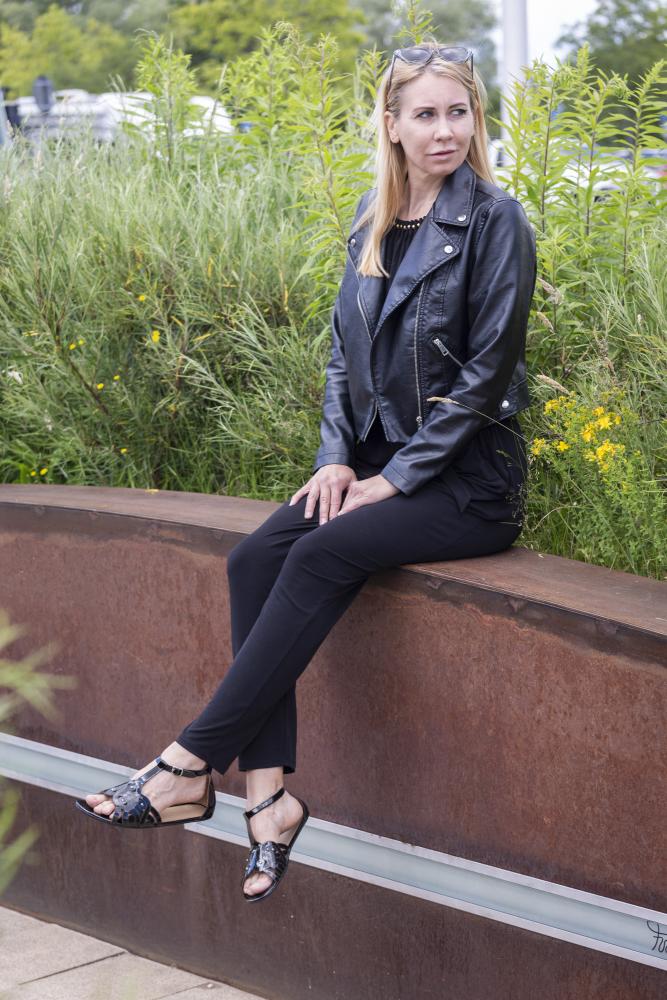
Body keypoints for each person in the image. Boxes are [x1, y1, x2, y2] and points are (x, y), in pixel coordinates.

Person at [76, 41, 537, 904]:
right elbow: (341, 357)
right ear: (391, 126)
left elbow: (485, 376)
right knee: (255, 557)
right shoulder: (372, 214)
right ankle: (269, 799)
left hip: (466, 485)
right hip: (376, 467)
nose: (444, 130)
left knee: (319, 554)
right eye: (425, 114)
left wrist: (391, 479)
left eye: (458, 112)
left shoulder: (494, 221)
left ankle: (186, 764)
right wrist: (334, 460)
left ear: (474, 119)